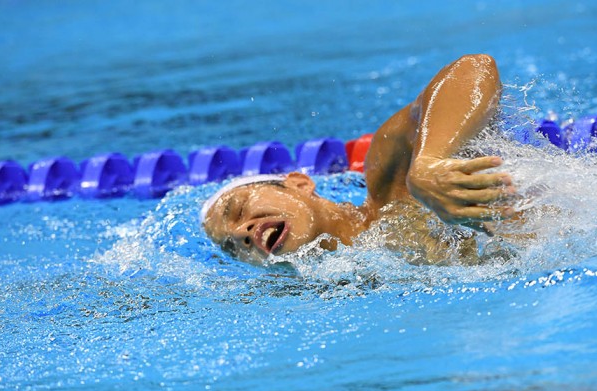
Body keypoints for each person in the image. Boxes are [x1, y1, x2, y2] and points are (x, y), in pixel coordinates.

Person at [201, 54, 517, 264]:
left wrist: (430, 161)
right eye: (230, 247)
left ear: (299, 183)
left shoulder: (391, 182)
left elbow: (475, 68)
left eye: (240, 210)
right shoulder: (335, 286)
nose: (241, 233)